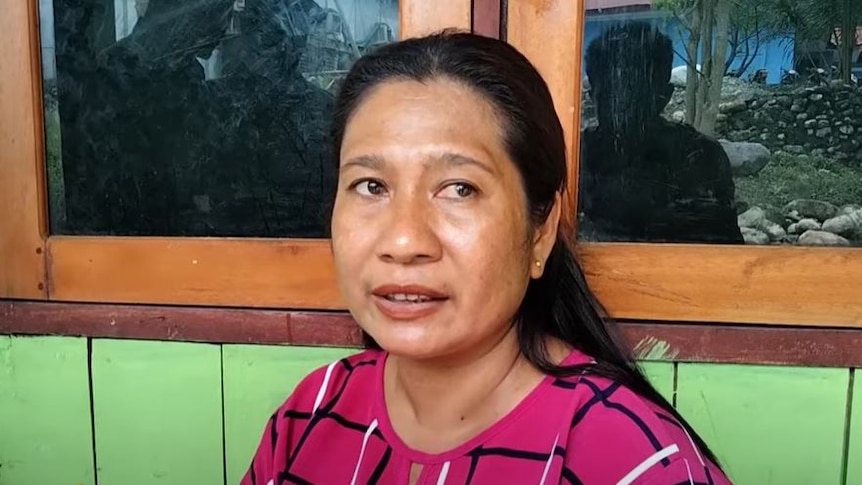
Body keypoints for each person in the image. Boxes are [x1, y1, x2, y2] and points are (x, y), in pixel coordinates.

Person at [241, 30, 732, 484]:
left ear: (540, 230)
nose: (404, 241)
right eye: (371, 186)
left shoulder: (635, 463)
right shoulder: (310, 415)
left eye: (459, 188)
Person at [578, 22, 744, 244]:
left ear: (664, 97)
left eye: (637, 97)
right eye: (612, 96)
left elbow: (723, 253)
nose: (624, 111)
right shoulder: (577, 157)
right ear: (593, 98)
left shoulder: (698, 157)